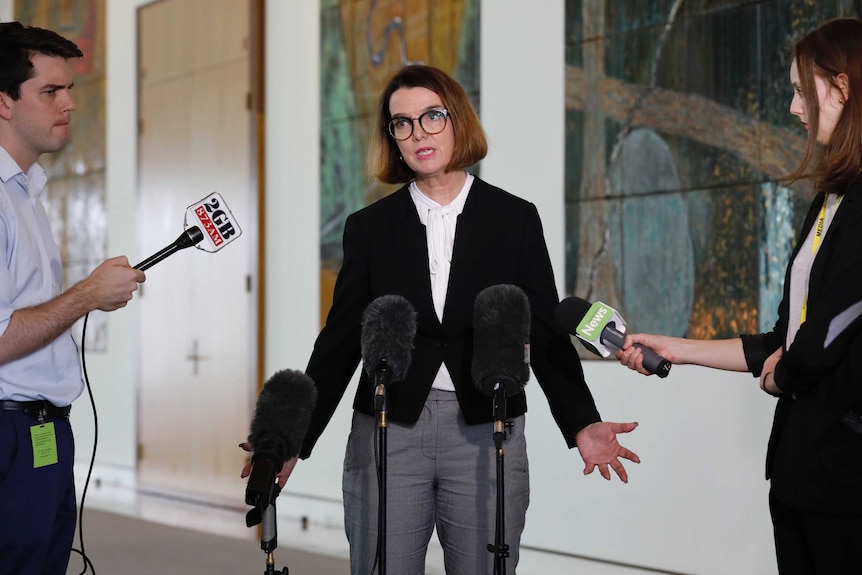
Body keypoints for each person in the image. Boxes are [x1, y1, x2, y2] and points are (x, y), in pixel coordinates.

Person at [244, 64, 640, 575]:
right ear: (393, 138)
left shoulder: (514, 218)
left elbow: (542, 330)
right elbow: (340, 341)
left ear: (457, 120)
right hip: (389, 428)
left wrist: (581, 421)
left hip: (485, 428)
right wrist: (292, 439)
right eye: (401, 123)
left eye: (432, 116)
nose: (418, 134)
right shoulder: (369, 228)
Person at [616, 18, 862, 575]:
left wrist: (782, 377)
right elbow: (787, 336)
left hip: (845, 480)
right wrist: (675, 348)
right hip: (799, 470)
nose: (795, 108)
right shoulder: (830, 201)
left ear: (843, 89)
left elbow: (822, 338)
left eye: (802, 91)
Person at [0, 22, 145, 575]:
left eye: (70, 91)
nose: (68, 105)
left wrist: (88, 296)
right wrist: (85, 295)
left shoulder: (27, 192)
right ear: (5, 103)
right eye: (50, 92)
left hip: (43, 428)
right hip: (11, 432)